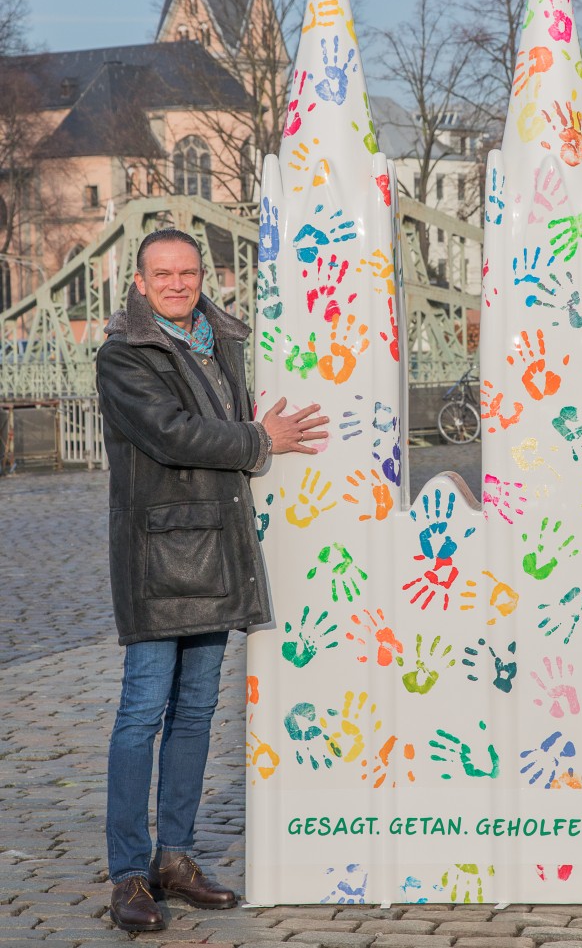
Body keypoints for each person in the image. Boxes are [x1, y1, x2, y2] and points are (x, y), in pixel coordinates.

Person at [97, 228, 328, 934]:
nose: (176, 283)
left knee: (196, 713)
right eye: (161, 274)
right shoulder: (123, 354)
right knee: (143, 712)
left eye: (187, 272)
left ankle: (177, 857)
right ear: (139, 282)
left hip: (218, 547)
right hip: (161, 554)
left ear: (204, 275)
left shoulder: (223, 340)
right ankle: (130, 874)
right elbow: (172, 433)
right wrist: (262, 441)